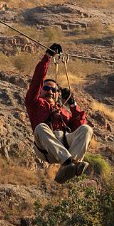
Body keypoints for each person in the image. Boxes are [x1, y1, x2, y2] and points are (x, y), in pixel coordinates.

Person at [25, 43, 94, 182]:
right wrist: (47, 57)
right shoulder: (35, 103)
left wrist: (73, 105)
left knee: (86, 129)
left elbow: (79, 126)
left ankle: (70, 165)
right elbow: (37, 80)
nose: (50, 91)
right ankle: (68, 163)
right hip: (45, 149)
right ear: (41, 90)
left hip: (64, 144)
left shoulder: (63, 111)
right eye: (46, 88)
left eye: (54, 90)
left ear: (57, 94)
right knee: (40, 127)